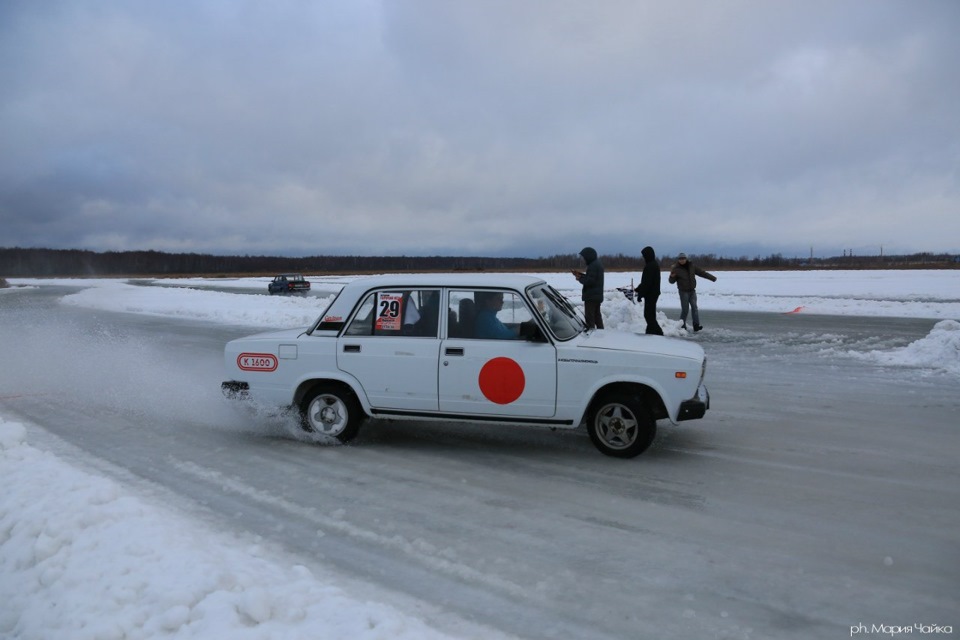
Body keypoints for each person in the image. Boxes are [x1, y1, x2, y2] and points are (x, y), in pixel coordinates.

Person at [668, 252, 717, 332]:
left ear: (686, 259)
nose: (682, 260)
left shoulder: (692, 266)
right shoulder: (676, 269)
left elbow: (702, 273)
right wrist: (671, 276)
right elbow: (671, 281)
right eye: (680, 259)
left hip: (692, 291)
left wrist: (712, 278)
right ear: (678, 260)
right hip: (683, 292)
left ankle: (696, 325)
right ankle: (682, 326)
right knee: (685, 309)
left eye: (683, 258)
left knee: (695, 308)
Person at [572, 247, 604, 330]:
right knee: (597, 317)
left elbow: (590, 282)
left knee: (590, 319)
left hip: (591, 297)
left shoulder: (592, 266)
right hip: (596, 296)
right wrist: (581, 275)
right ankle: (602, 333)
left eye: (584, 257)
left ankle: (591, 337)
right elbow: (591, 278)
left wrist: (579, 278)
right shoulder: (596, 264)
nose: (583, 259)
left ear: (589, 256)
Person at [634, 246, 663, 335]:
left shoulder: (650, 266)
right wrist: (638, 289)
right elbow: (646, 281)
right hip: (653, 293)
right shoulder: (653, 264)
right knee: (650, 315)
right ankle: (650, 332)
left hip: (651, 294)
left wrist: (640, 294)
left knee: (649, 315)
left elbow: (647, 283)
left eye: (644, 256)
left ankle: (659, 333)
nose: (643, 258)